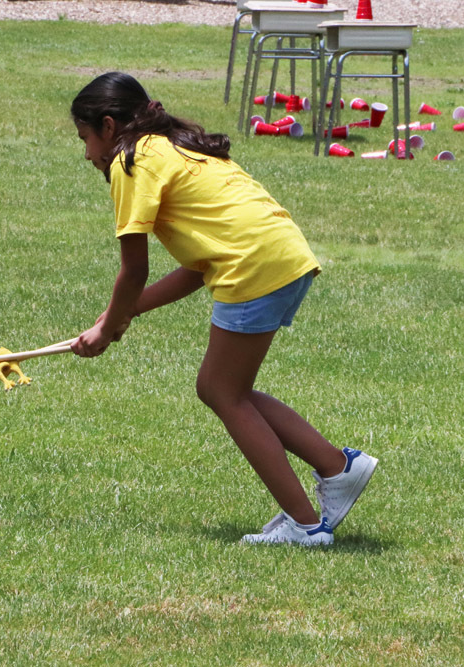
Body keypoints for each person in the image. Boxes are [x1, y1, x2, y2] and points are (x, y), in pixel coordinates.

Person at [69, 72, 377, 546]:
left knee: (222, 391)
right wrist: (124, 314)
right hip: (283, 254)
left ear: (108, 127)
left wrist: (109, 327)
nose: (87, 154)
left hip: (252, 265)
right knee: (227, 389)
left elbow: (134, 270)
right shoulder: (173, 145)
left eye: (84, 139)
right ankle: (338, 468)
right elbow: (198, 266)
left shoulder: (130, 162)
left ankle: (305, 525)